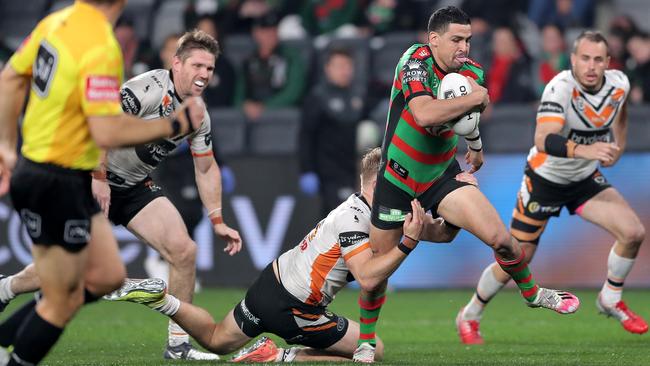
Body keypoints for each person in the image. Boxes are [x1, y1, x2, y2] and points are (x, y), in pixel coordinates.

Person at [0, 29, 242, 361]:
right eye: (197, 65)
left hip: (131, 186)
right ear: (177, 64)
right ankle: (8, 288)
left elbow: (206, 167)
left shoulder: (198, 114)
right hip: (87, 178)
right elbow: (101, 126)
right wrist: (98, 176)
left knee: (184, 251)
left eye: (210, 69)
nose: (203, 75)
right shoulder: (146, 89)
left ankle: (178, 345)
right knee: (72, 268)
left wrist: (217, 218)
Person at [356, 6, 580, 362]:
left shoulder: (471, 72)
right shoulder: (415, 62)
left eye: (469, 40)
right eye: (456, 39)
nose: (465, 47)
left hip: (441, 176)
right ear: (433, 40)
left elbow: (467, 122)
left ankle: (533, 293)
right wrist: (477, 97)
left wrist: (475, 148)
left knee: (502, 240)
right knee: (375, 276)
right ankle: (365, 340)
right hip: (396, 177)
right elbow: (425, 113)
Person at [102, 147, 460, 362]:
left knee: (215, 339)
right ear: (378, 183)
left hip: (270, 284)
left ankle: (160, 298)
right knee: (373, 349)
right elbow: (367, 277)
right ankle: (281, 356)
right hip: (295, 307)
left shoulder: (382, 215)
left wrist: (455, 194)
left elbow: (442, 233)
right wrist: (408, 244)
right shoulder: (354, 218)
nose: (405, 187)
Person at [456, 30, 647, 344]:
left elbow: (620, 111)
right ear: (573, 59)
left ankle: (610, 299)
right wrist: (588, 150)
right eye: (584, 58)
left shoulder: (619, 84)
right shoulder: (560, 87)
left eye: (598, 59)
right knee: (517, 256)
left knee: (633, 232)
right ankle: (470, 313)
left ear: (608, 63)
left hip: (584, 180)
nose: (591, 65)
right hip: (545, 179)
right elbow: (543, 139)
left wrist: (619, 144)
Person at [298, 47, 366, 216]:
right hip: (330, 173)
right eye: (339, 66)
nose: (344, 71)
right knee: (339, 220)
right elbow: (306, 135)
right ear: (328, 68)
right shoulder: (318, 97)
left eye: (347, 66)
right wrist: (307, 170)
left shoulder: (358, 95)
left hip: (355, 170)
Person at [234, 12, 305, 121]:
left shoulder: (290, 57)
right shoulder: (248, 60)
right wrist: (245, 106)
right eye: (265, 30)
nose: (270, 34)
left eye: (273, 29)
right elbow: (238, 95)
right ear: (256, 33)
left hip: (282, 117)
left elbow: (293, 92)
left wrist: (265, 107)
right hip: (251, 119)